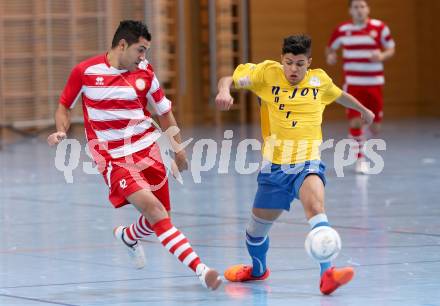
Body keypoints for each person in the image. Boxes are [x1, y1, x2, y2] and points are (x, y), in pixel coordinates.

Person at [47, 20, 221, 290]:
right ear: (122, 45)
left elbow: (163, 111)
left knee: (160, 218)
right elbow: (64, 107)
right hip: (112, 157)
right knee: (154, 211)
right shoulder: (85, 72)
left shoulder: (146, 73)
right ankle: (201, 269)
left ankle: (128, 236)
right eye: (140, 50)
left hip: (147, 149)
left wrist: (178, 149)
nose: (144, 57)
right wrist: (61, 132)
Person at [215, 34, 375, 295]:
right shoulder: (266, 74)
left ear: (308, 63)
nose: (293, 69)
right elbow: (229, 79)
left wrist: (363, 110)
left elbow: (339, 95)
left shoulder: (319, 81)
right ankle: (257, 270)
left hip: (307, 162)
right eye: (288, 62)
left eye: (299, 64)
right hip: (275, 168)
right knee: (255, 232)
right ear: (282, 59)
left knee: (316, 209)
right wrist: (224, 91)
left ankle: (328, 275)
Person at [326, 0, 395, 174]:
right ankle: (360, 159)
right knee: (355, 120)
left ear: (368, 9)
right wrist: (331, 56)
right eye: (355, 7)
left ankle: (360, 138)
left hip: (374, 83)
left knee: (375, 127)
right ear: (350, 10)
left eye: (362, 7)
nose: (359, 10)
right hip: (353, 84)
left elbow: (391, 48)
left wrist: (381, 55)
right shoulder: (342, 30)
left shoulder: (380, 28)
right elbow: (330, 49)